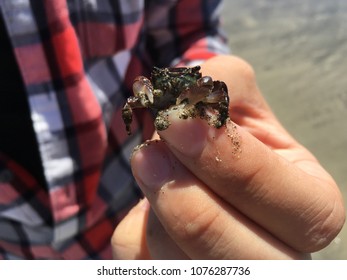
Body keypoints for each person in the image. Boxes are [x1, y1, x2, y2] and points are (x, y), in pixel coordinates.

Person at [0, 1, 344, 259]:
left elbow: (190, 31)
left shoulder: (194, 85)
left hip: (142, 199)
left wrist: (223, 114)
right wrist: (133, 112)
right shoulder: (152, 87)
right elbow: (138, 91)